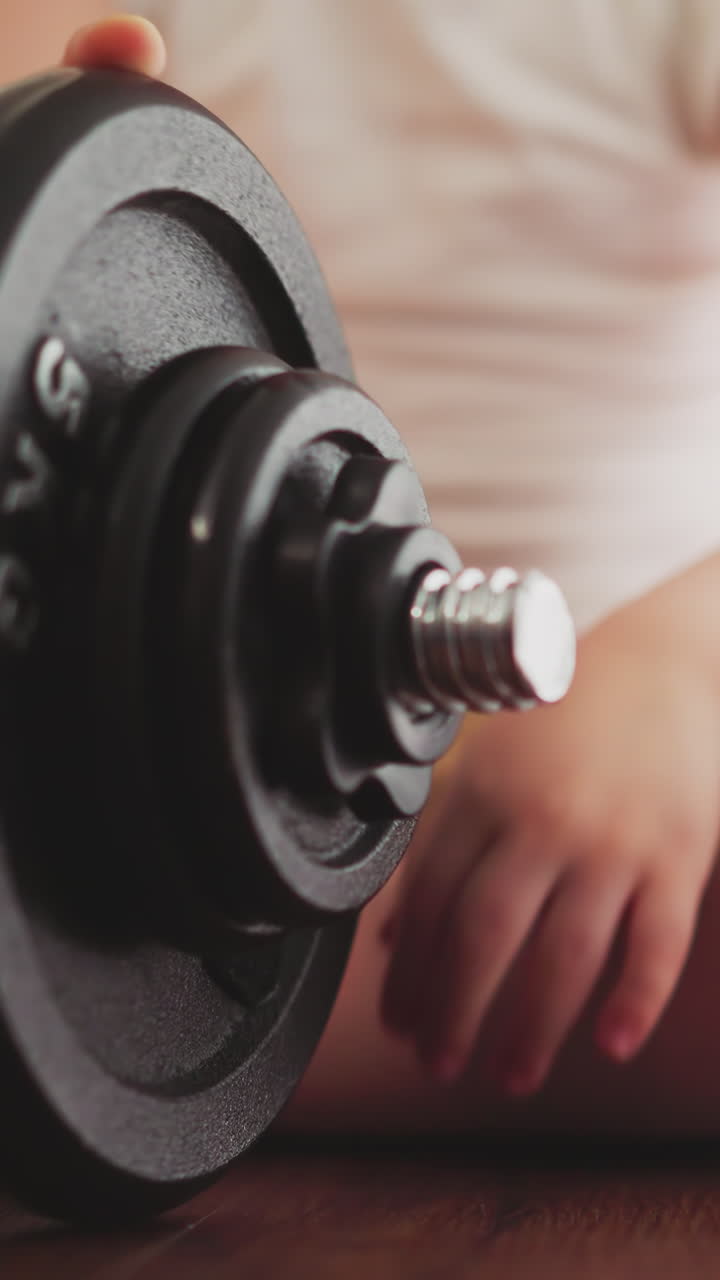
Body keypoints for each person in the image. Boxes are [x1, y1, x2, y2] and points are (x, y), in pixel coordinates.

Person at [15, 7, 720, 1136]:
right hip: (193, 741)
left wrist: (692, 653)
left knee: (642, 919)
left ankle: (123, 1039)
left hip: (613, 784)